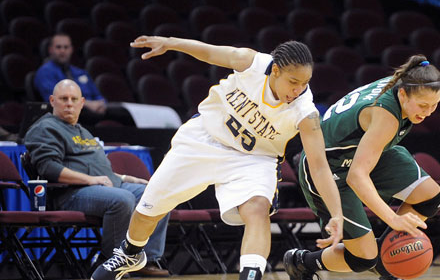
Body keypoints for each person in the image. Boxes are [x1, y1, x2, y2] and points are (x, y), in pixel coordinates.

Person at [90, 36, 344, 280]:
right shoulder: (252, 62)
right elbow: (209, 52)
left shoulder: (305, 112)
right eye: (293, 82)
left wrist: (336, 213)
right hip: (204, 139)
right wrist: (170, 43)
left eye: (305, 83)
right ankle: (130, 253)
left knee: (258, 209)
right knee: (148, 211)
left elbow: (319, 166)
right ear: (275, 71)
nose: (298, 90)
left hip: (254, 158)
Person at [282, 55, 440, 280]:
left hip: (362, 153)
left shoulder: (413, 81)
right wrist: (393, 219)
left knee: (430, 198)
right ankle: (301, 261)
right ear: (403, 94)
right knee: (363, 258)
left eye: (434, 105)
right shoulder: (386, 116)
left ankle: (388, 261)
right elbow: (356, 176)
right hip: (328, 168)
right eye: (423, 105)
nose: (429, 111)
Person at [24, 79, 170, 277]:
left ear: (82, 102)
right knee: (122, 199)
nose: (69, 103)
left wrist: (127, 177)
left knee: (157, 195)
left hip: (102, 188)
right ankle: (111, 260)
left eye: (74, 99)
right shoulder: (45, 128)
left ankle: (146, 259)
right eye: (63, 99)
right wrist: (89, 180)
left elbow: (99, 171)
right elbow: (50, 168)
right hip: (70, 193)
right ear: (52, 101)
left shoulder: (83, 131)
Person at [34, 33, 133, 126]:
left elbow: (97, 95)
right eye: (58, 47)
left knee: (125, 114)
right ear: (51, 50)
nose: (62, 51)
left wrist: (100, 104)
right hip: (69, 114)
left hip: (93, 110)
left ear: (71, 49)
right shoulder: (45, 72)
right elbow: (56, 100)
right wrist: (87, 104)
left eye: (66, 47)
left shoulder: (80, 72)